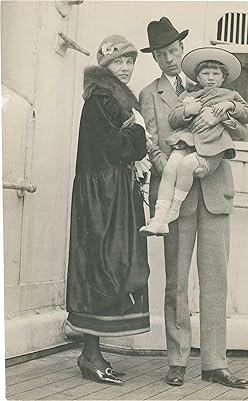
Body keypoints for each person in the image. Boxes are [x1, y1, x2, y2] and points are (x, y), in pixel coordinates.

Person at [139, 17, 248, 388]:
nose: (169, 58)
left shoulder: (210, 83)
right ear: (154, 58)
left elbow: (240, 131)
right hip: (177, 198)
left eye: (173, 51)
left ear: (182, 51)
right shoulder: (149, 93)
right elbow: (150, 143)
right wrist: (172, 164)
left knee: (215, 280)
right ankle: (177, 360)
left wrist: (213, 151)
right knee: (176, 282)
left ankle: (215, 363)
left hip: (215, 191)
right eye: (161, 54)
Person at [65, 35, 150, 385]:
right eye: (119, 62)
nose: (127, 67)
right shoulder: (101, 99)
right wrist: (139, 134)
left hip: (111, 193)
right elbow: (118, 146)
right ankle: (90, 354)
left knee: (110, 266)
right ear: (106, 68)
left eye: (130, 61)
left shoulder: (111, 99)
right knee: (100, 268)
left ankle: (93, 353)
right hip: (101, 198)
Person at [140, 47, 248, 236]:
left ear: (223, 77)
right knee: (171, 166)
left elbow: (247, 115)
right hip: (187, 141)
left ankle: (173, 209)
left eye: (216, 74)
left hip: (212, 146)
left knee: (185, 165)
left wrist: (229, 108)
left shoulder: (230, 95)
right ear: (197, 78)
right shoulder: (189, 95)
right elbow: (173, 118)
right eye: (205, 73)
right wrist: (187, 110)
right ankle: (160, 218)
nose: (210, 78)